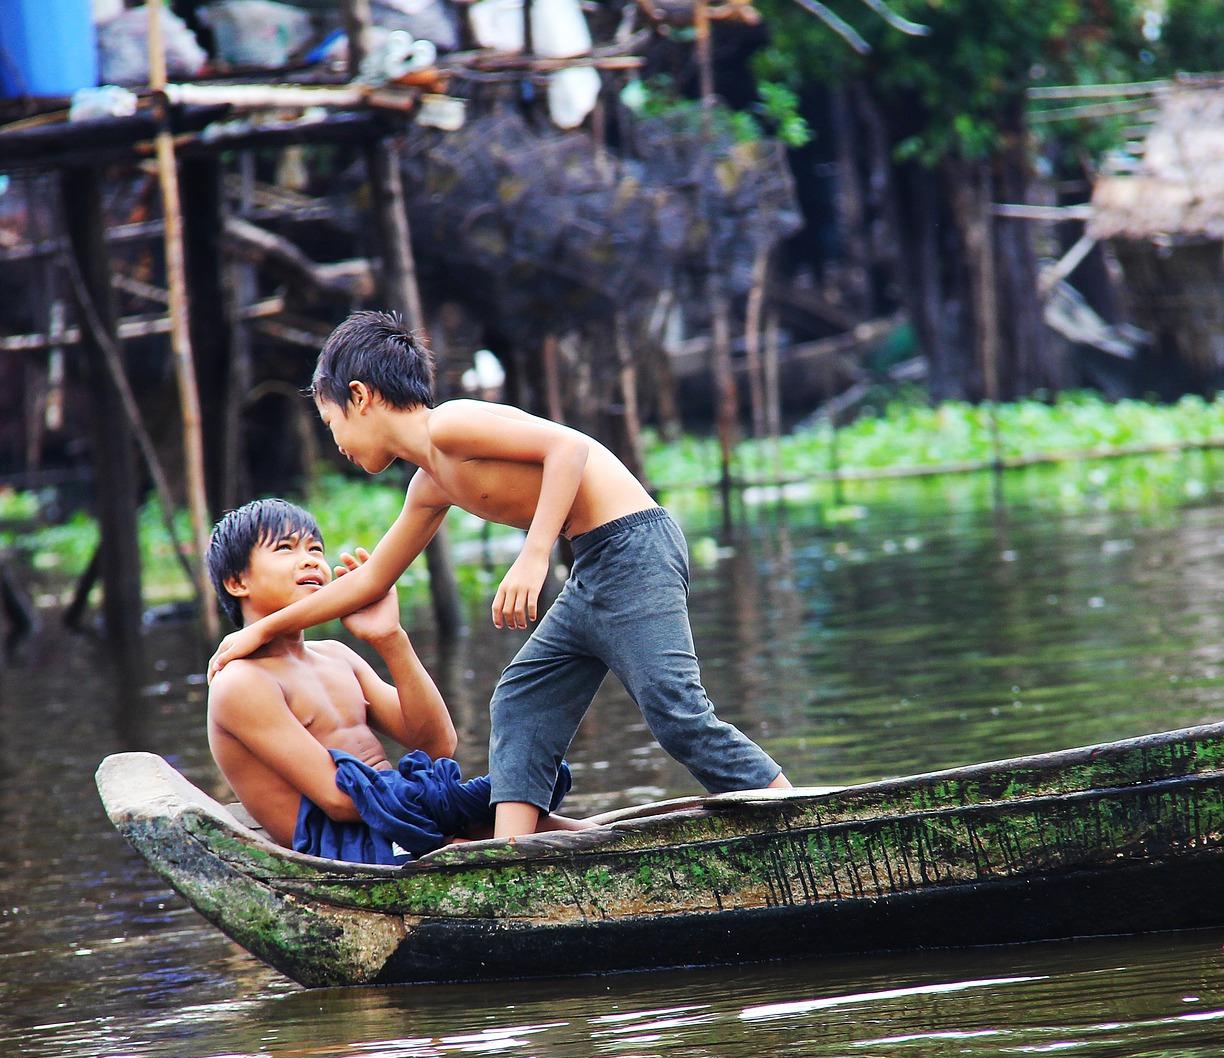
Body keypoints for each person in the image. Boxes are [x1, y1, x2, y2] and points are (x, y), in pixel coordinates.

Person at [207, 311, 791, 840]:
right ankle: (514, 853)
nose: (335, 442)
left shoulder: (450, 426)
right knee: (520, 698)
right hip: (593, 563)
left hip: (633, 546)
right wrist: (260, 631)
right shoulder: (428, 484)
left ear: (359, 397)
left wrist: (535, 556)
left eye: (331, 421)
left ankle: (790, 814)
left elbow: (568, 449)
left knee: (675, 712)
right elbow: (367, 582)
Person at [203, 497, 588, 864]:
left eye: (316, 549)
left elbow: (438, 743)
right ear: (238, 582)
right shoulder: (241, 681)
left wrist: (390, 638)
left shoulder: (336, 657)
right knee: (529, 832)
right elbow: (338, 802)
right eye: (286, 549)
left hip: (397, 815)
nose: (310, 561)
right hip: (347, 843)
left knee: (564, 832)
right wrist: (442, 803)